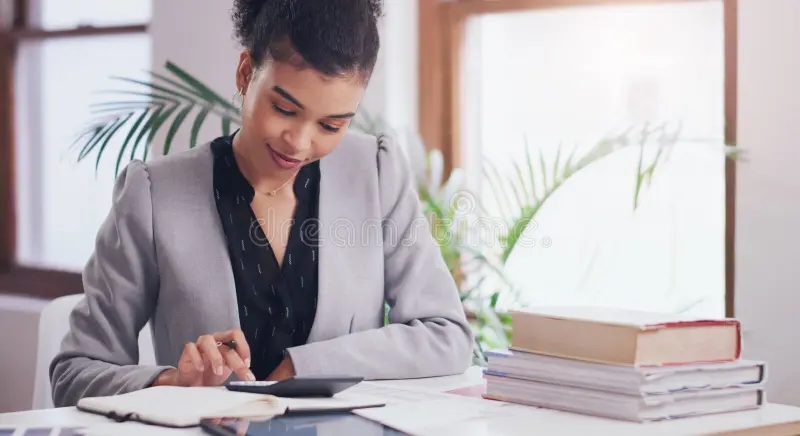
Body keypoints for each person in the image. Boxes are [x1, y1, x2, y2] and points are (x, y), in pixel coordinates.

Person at [49, 0, 473, 408]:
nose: (300, 142)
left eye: (331, 125)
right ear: (245, 72)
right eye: (285, 109)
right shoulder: (153, 193)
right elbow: (74, 373)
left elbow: (446, 335)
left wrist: (305, 365)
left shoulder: (376, 173)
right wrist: (171, 381)